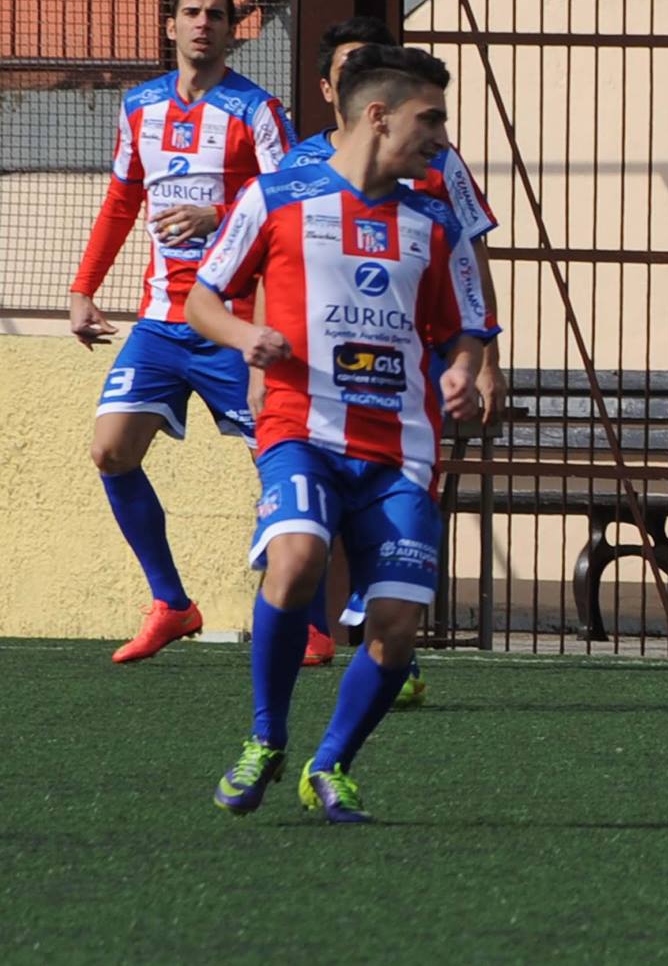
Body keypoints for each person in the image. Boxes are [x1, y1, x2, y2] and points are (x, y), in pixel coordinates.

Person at [190, 44, 495, 823]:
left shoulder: (436, 221)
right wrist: (244, 335)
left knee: (395, 628)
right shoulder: (276, 196)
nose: (441, 136)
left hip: (401, 448)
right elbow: (203, 297)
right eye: (431, 118)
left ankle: (330, 764)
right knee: (296, 559)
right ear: (379, 115)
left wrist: (464, 368)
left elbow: (467, 326)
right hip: (302, 427)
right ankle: (266, 737)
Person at [68, 0, 294, 663]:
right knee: (111, 450)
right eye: (191, 12)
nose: (203, 23)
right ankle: (172, 603)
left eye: (216, 15)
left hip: (233, 322)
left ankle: (305, 619)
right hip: (161, 323)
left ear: (231, 30)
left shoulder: (257, 110)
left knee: (282, 466)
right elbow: (121, 202)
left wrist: (217, 214)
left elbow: (290, 201)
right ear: (171, 26)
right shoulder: (139, 106)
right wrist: (83, 289)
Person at [283, 16, 505, 683]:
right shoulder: (297, 168)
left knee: (395, 497)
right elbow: (270, 266)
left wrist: (484, 359)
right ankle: (317, 634)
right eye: (349, 66)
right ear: (333, 89)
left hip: (412, 359)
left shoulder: (437, 158)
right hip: (322, 372)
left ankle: (386, 636)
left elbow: (470, 252)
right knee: (319, 501)